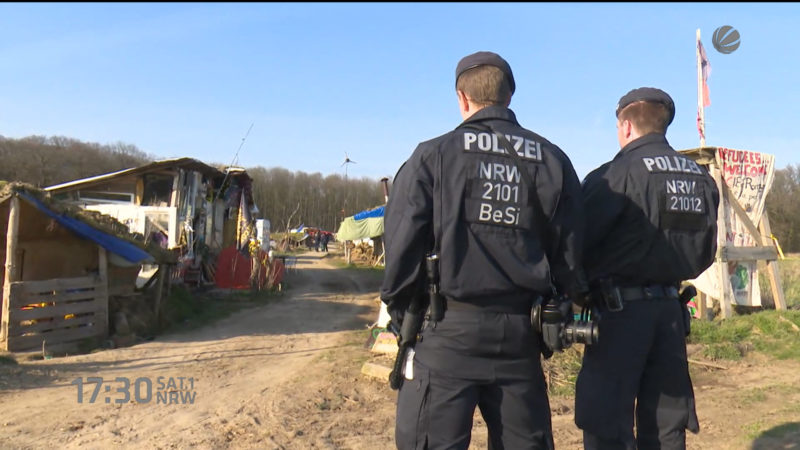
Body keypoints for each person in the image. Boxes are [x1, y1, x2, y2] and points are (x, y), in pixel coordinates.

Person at [380, 51, 586, 450]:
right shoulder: (552, 160)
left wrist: (402, 310)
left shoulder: (433, 156)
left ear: (462, 98)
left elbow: (402, 244)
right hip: (521, 337)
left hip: (446, 332)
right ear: (509, 97)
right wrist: (562, 302)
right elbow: (572, 253)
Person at [574, 87, 720, 450]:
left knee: (607, 424)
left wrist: (576, 298)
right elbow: (705, 253)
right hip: (671, 314)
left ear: (625, 126)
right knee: (667, 427)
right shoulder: (701, 179)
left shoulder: (614, 176)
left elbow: (575, 244)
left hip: (619, 315)